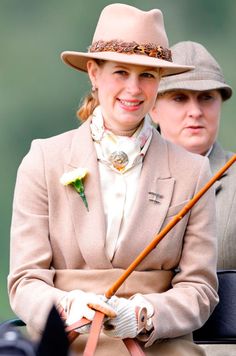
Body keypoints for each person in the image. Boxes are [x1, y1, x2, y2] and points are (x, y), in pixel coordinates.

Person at [8, 5, 218, 355]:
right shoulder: (42, 160)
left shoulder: (193, 171)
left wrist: (142, 315)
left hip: (159, 348)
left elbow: (199, 288)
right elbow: (25, 280)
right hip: (65, 345)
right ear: (94, 72)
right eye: (121, 72)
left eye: (148, 75)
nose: (134, 89)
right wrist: (69, 309)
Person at [151, 40, 236, 270]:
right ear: (153, 108)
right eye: (179, 98)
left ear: (221, 104)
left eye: (207, 97)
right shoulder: (126, 176)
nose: (195, 112)